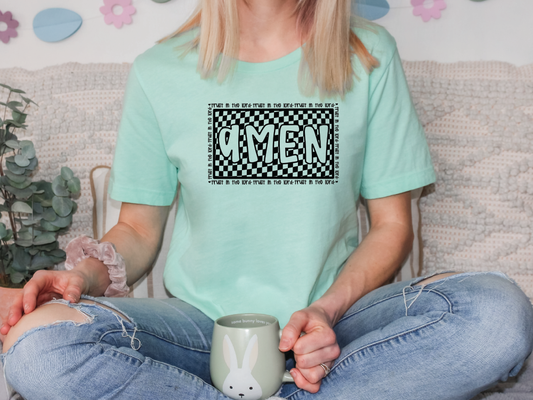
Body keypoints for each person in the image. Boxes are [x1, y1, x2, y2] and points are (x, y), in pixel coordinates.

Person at [1, 1, 532, 399]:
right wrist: (83, 277)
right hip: (201, 330)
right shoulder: (159, 71)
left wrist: (324, 312)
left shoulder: (368, 54)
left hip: (340, 321)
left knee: (497, 317)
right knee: (37, 349)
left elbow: (391, 226)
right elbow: (139, 230)